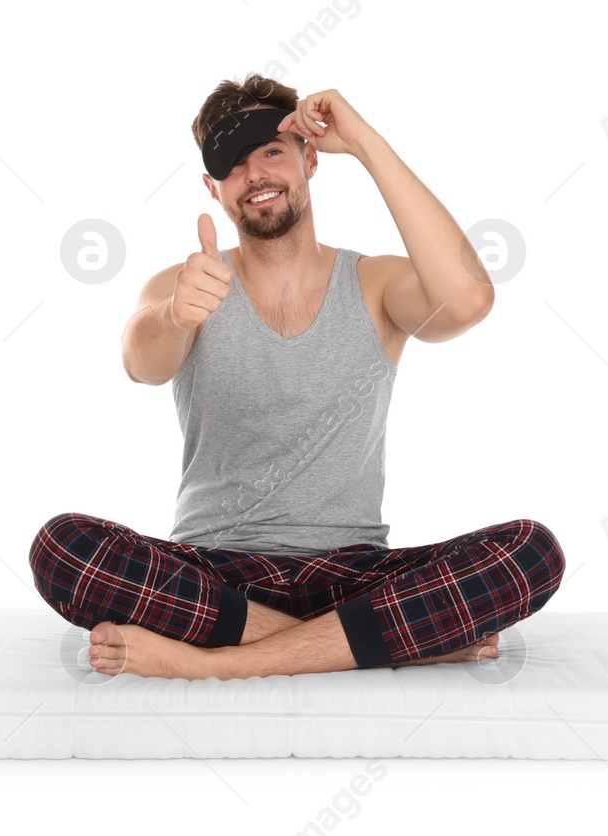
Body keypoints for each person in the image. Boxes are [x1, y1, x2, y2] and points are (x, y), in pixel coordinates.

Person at [29, 74, 564, 680]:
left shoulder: (376, 284)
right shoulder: (185, 286)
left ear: (310, 160)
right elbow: (139, 361)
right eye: (232, 164)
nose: (254, 174)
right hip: (215, 575)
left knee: (532, 553)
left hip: (353, 575)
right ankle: (390, 644)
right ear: (213, 188)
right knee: (62, 548)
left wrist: (363, 141)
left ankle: (213, 666)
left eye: (272, 151)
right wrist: (178, 314)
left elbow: (468, 300)